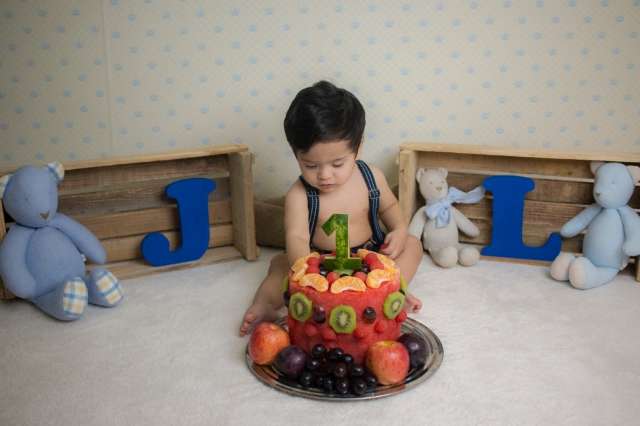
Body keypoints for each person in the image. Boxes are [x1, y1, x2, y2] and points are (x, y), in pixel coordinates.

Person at [239, 81, 423, 336]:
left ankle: (390, 290)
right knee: (280, 265)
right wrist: (308, 272)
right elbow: (297, 236)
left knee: (413, 245)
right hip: (320, 262)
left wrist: (400, 230)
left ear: (357, 148)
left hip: (370, 258)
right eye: (311, 165)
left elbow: (390, 206)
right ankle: (264, 306)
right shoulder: (299, 195)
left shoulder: (372, 177)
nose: (325, 175)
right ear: (296, 155)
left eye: (337, 163)